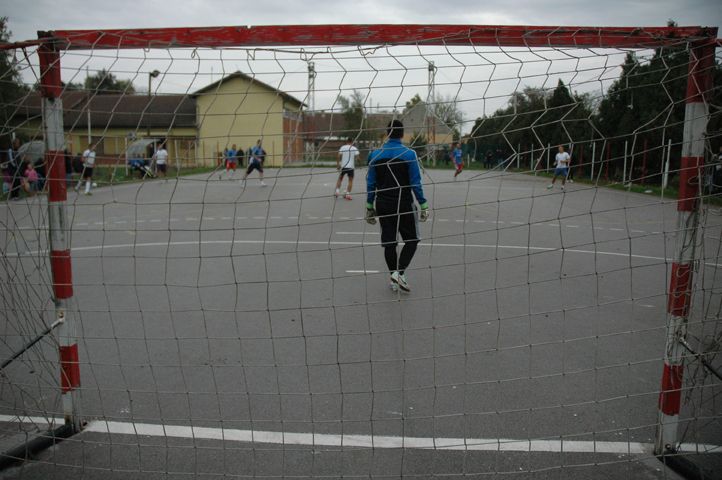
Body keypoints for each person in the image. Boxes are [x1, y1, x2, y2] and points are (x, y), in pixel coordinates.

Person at [366, 120, 429, 293]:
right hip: (404, 204)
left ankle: (394, 278)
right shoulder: (409, 154)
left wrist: (369, 206)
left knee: (389, 242)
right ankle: (400, 272)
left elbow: (370, 183)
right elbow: (416, 183)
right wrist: (423, 205)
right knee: (412, 240)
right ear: (402, 135)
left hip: (383, 205)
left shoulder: (375, 155)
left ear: (387, 134)